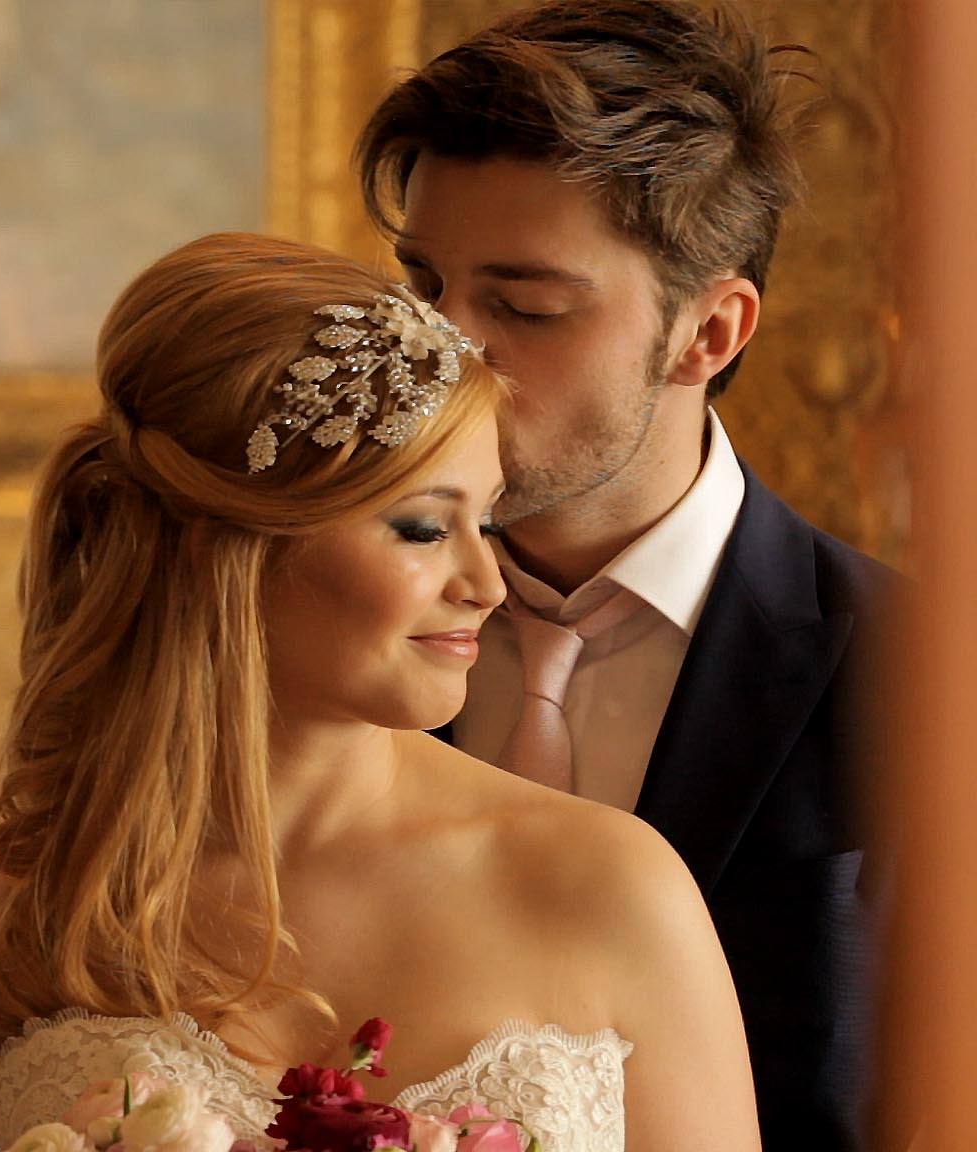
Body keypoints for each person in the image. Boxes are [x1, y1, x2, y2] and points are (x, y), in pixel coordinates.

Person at [0, 233, 759, 1152]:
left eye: (487, 521)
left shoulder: (609, 888)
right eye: (423, 529)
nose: (487, 584)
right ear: (228, 548)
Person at [353, 2, 895, 1148]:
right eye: (422, 285)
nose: (440, 351)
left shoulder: (928, 675)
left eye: (522, 305)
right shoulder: (312, 625)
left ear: (709, 333)